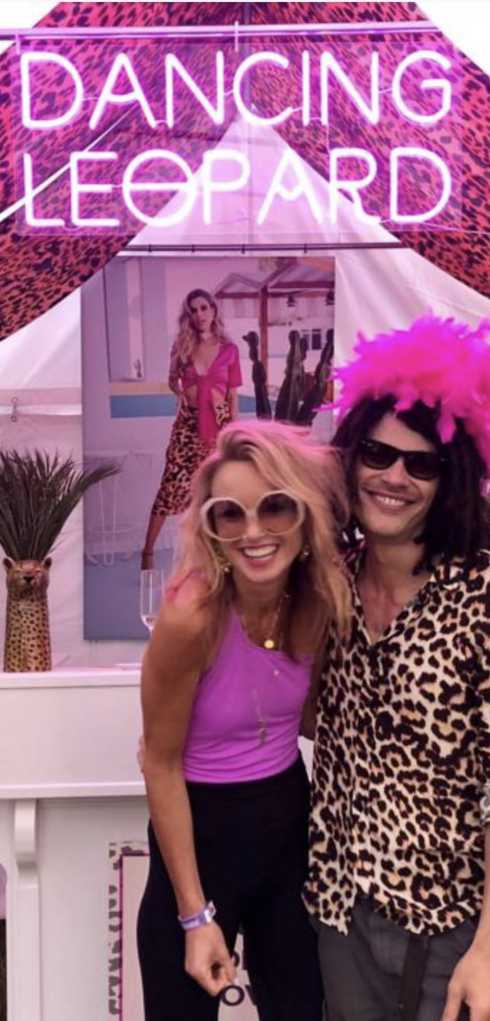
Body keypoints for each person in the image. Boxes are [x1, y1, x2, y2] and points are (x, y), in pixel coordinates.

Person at [304, 315, 490, 1021]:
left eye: (422, 463)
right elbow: (308, 712)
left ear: (453, 480)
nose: (394, 477)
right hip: (340, 912)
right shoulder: (333, 585)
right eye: (378, 455)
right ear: (350, 458)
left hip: (452, 927)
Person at [137, 419, 351, 1021]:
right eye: (231, 514)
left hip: (287, 823)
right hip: (201, 835)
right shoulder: (191, 618)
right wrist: (194, 914)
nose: (255, 532)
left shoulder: (319, 601)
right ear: (211, 528)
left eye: (276, 507)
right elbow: (159, 761)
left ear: (304, 516)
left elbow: (311, 719)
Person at [141, 289, 242, 569]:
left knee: (213, 489)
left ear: (213, 310)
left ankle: (212, 554)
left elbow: (233, 397)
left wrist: (232, 434)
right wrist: (186, 397)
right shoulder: (183, 345)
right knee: (170, 485)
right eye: (194, 310)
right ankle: (147, 551)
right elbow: (173, 381)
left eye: (204, 308)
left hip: (218, 424)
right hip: (187, 426)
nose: (199, 315)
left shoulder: (229, 349)